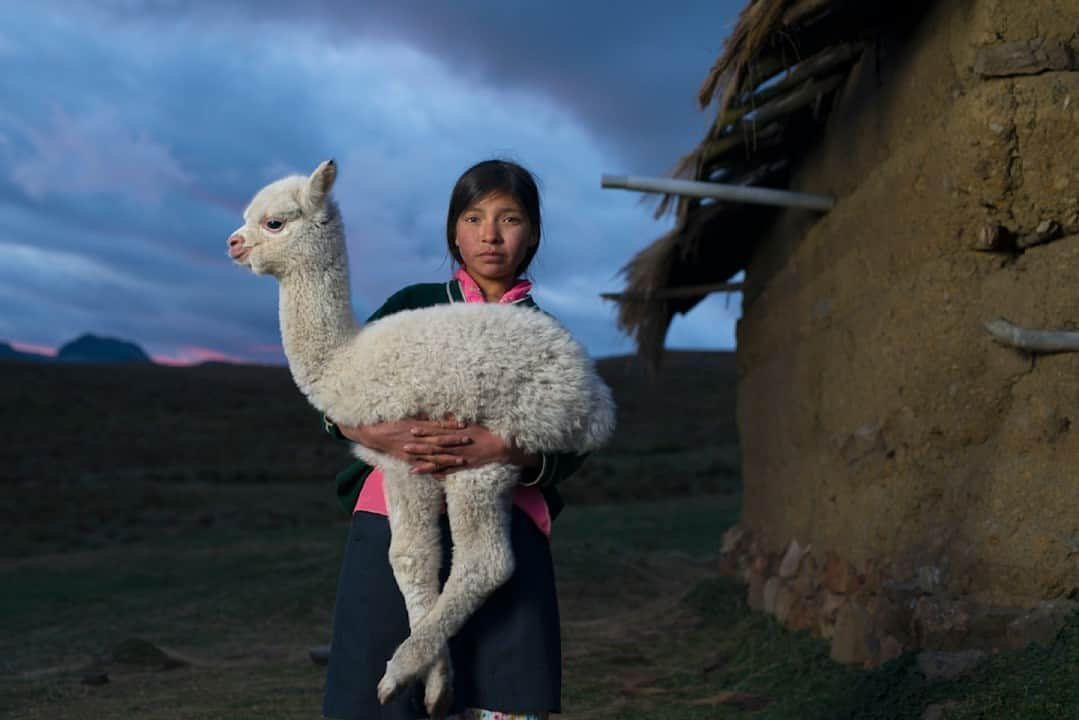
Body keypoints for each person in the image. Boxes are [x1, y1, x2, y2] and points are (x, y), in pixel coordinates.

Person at [322, 159, 586, 720]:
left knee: (500, 692)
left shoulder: (547, 335)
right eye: (474, 218)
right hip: (394, 514)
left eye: (509, 218)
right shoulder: (410, 306)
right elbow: (340, 389)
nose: (491, 235)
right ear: (454, 231)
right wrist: (379, 432)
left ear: (532, 233)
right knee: (379, 694)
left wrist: (508, 450)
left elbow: (574, 438)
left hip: (504, 524)